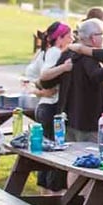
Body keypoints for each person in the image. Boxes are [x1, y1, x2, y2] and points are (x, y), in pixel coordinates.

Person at [40, 18, 103, 143]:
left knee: (67, 158)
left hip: (67, 119)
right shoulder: (90, 59)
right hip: (89, 123)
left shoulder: (68, 54)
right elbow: (97, 76)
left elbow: (46, 83)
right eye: (102, 35)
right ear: (93, 38)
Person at [27, 22, 73, 192]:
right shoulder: (55, 52)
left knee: (45, 149)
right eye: (68, 36)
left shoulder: (46, 51)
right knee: (53, 151)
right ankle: (52, 193)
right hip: (51, 108)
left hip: (44, 107)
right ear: (60, 38)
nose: (72, 39)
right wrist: (64, 68)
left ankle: (45, 192)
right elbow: (44, 74)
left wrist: (39, 90)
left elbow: (32, 76)